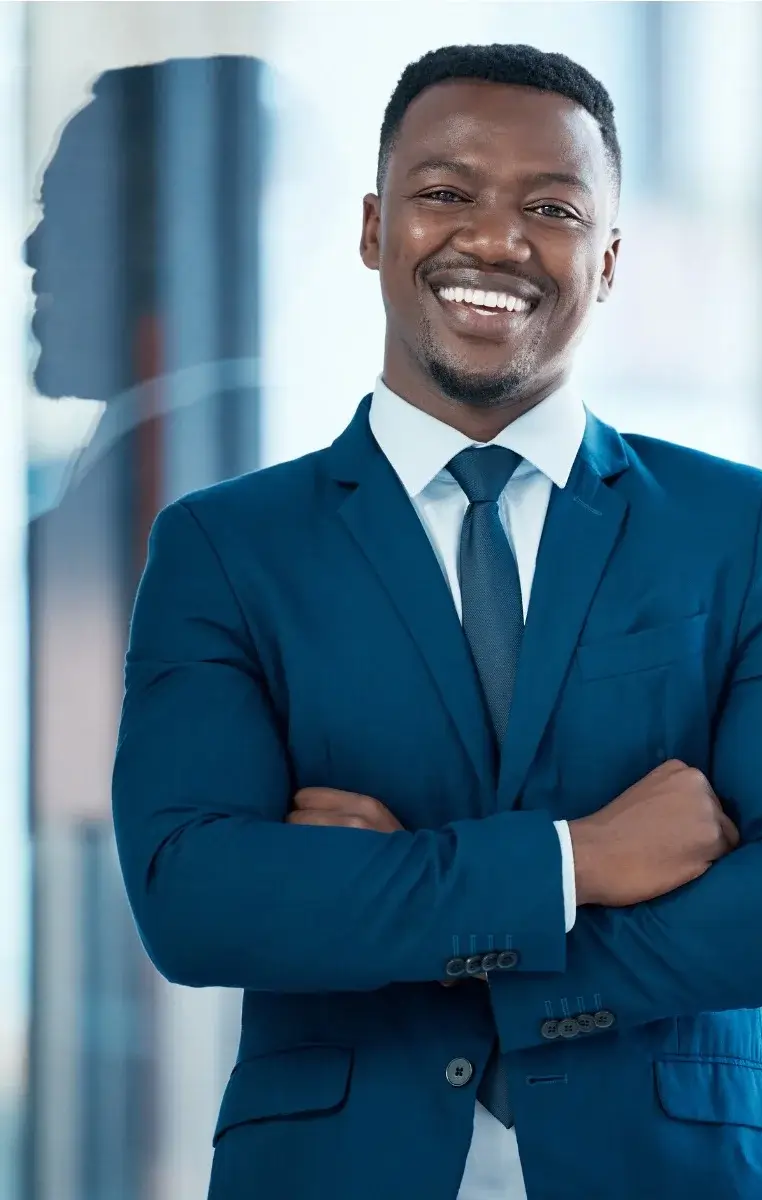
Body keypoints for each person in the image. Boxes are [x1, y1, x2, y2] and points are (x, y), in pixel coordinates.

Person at [112, 43, 762, 1200]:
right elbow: (196, 900)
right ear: (374, 226)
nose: (495, 240)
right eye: (446, 192)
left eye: (552, 208)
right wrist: (584, 861)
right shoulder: (226, 548)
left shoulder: (738, 529)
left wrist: (411, 916)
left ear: (607, 260)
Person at [24, 56, 268, 1198]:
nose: (30, 255)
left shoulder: (193, 498)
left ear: (157, 246)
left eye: (62, 215)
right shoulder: (123, 482)